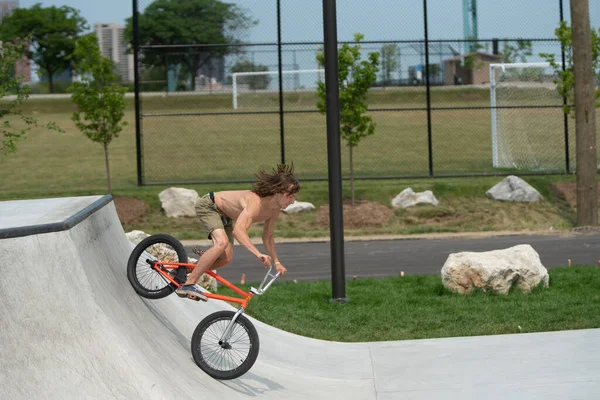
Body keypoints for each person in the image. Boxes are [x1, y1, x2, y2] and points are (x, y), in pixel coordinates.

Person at [176, 163, 300, 301]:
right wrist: (258, 254)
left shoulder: (274, 209)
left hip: (226, 217)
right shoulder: (255, 202)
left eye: (294, 197)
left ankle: (183, 271)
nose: (293, 202)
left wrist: (276, 262)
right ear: (278, 192)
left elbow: (268, 236)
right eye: (290, 196)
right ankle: (188, 284)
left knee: (225, 259)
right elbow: (239, 231)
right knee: (221, 243)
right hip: (210, 206)